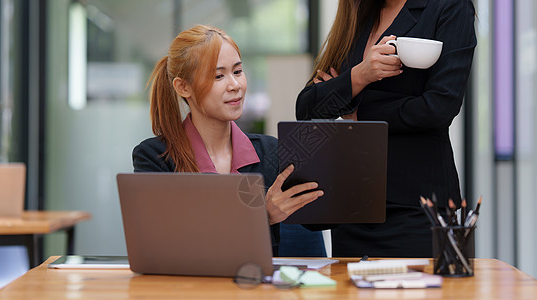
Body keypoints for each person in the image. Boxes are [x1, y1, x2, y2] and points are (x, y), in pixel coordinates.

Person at [296, 0, 477, 257]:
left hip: (418, 207)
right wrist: (361, 75)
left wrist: (357, 111)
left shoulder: (449, 7)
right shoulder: (359, 12)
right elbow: (307, 107)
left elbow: (439, 107)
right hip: (353, 202)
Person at [132, 25, 325, 256]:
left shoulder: (272, 151)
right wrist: (264, 216)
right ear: (183, 87)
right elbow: (166, 247)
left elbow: (319, 219)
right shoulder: (154, 158)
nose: (235, 85)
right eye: (218, 76)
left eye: (238, 71)